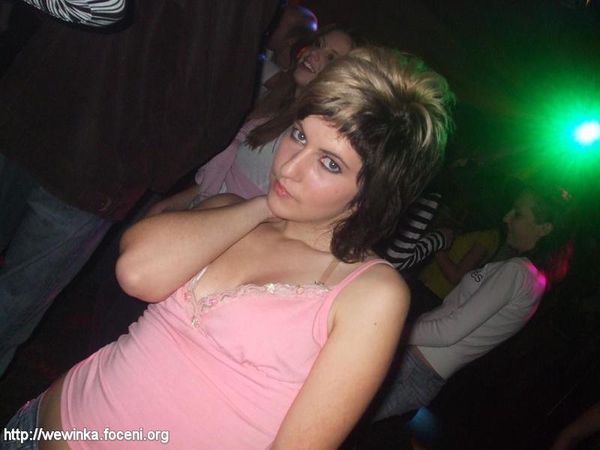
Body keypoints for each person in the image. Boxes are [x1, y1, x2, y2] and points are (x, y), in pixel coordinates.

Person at [3, 46, 455, 449]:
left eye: (330, 163)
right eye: (300, 135)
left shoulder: (369, 293)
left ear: (372, 194)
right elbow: (137, 271)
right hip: (35, 427)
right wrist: (262, 206)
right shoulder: (232, 211)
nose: (290, 167)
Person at [0, 0, 279, 376]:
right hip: (45, 129)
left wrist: (144, 170)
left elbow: (217, 98)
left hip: (87, 163)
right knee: (12, 304)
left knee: (12, 304)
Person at [373, 182, 573, 420]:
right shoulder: (533, 280)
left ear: (544, 228)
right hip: (421, 370)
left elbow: (449, 332)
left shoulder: (518, 272)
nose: (506, 217)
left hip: (414, 367)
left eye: (518, 214)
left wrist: (392, 333)